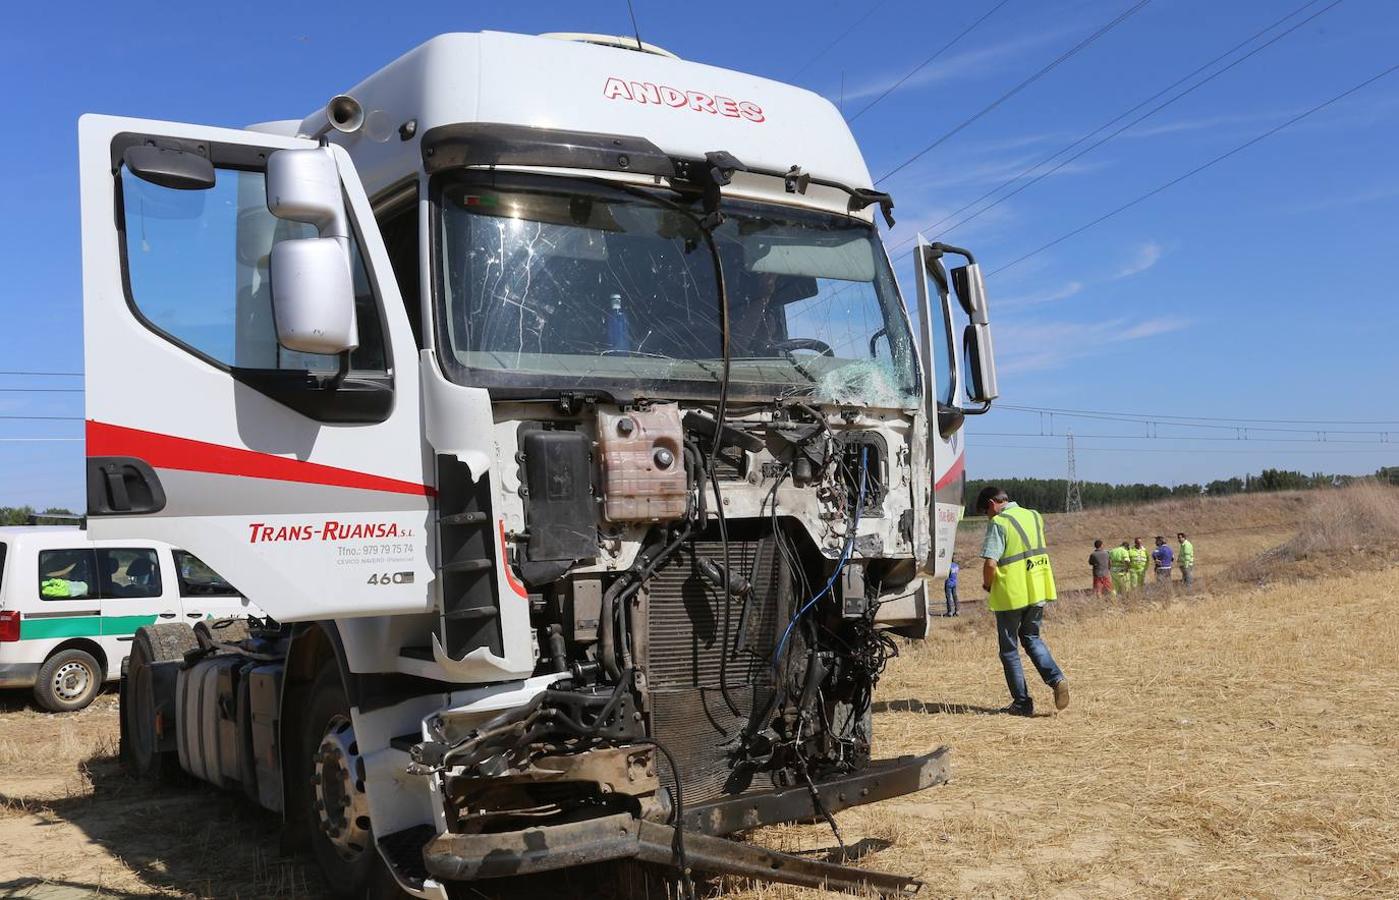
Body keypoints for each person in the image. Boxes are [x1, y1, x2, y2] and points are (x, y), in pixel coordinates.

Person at [977, 485, 1069, 716]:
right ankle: (1056, 679)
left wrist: (988, 585)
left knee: (1009, 650)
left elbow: (990, 563)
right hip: (1038, 588)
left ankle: (1022, 703)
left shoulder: (999, 523)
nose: (987, 517)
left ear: (991, 504)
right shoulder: (1034, 516)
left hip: (1011, 593)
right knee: (1032, 638)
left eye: (986, 512)